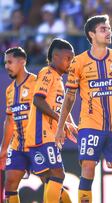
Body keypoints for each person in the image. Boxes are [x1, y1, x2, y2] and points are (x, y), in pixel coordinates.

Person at [54, 14, 112, 202]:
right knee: (88, 169)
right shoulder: (79, 62)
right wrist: (60, 127)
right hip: (90, 125)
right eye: (103, 29)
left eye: (109, 29)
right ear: (91, 34)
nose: (108, 32)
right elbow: (70, 96)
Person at [24, 38, 76, 202]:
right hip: (42, 134)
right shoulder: (47, 73)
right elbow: (38, 100)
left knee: (51, 181)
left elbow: (59, 106)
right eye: (68, 59)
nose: (71, 63)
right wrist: (62, 121)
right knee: (58, 174)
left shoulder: (59, 79)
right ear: (55, 57)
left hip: (46, 135)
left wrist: (70, 123)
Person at [0, 47, 37, 203]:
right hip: (18, 147)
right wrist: (4, 149)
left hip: (38, 144)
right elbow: (9, 121)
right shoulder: (9, 91)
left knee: (51, 183)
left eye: (10, 62)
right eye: (5, 63)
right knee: (10, 184)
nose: (7, 66)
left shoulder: (37, 82)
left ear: (22, 62)